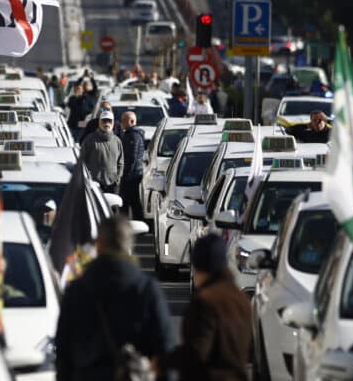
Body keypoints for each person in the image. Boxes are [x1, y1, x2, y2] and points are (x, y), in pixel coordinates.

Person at [55, 215, 175, 381]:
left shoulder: (77, 289)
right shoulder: (146, 289)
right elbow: (166, 349)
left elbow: (63, 351)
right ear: (129, 245)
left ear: (99, 245)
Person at [162, 233, 251, 381]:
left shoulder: (205, 301)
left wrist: (162, 362)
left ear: (198, 266)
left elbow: (196, 352)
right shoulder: (242, 300)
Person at [80, 110, 124, 194]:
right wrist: (88, 179)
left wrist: (117, 179)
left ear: (113, 122)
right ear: (99, 122)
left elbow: (120, 162)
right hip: (94, 184)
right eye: (104, 120)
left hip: (112, 185)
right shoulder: (89, 140)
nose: (107, 123)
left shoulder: (117, 141)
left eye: (109, 121)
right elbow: (82, 161)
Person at [119, 111, 146, 218]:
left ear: (131, 121)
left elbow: (132, 157)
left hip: (132, 174)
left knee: (125, 201)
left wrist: (125, 174)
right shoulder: (129, 134)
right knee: (133, 201)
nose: (121, 123)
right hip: (133, 173)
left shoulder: (133, 136)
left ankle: (123, 224)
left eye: (123, 121)